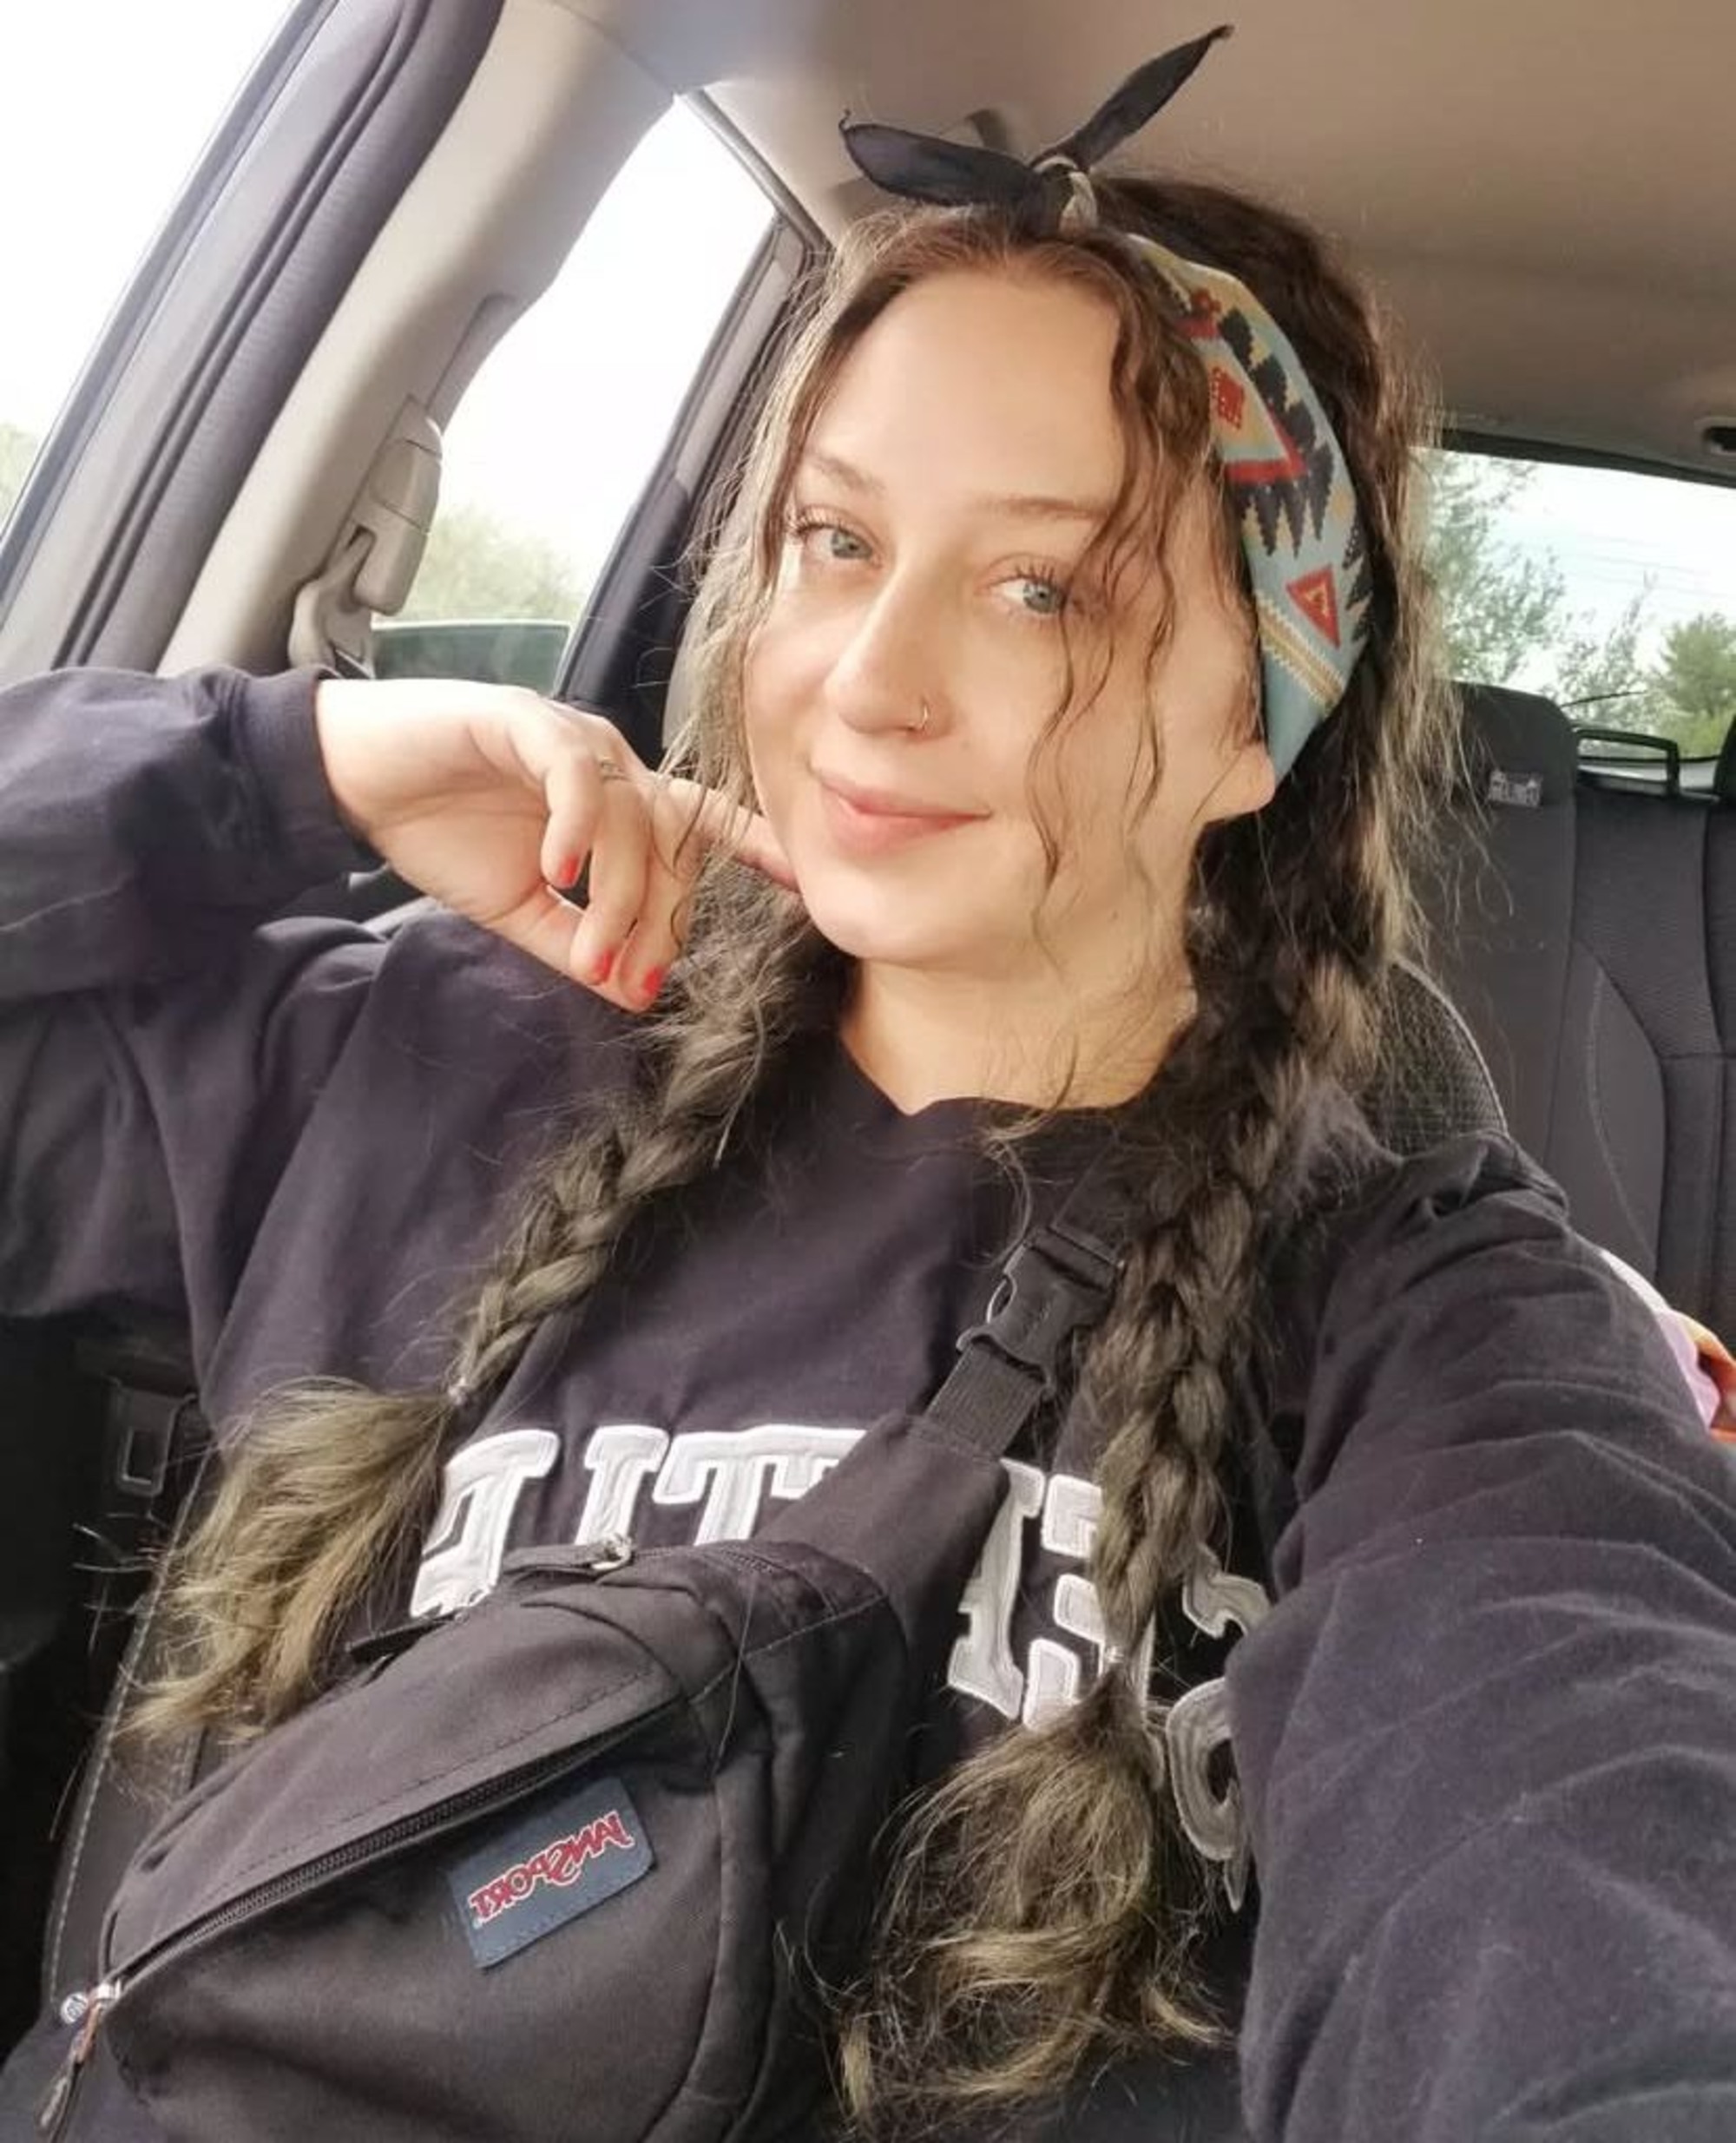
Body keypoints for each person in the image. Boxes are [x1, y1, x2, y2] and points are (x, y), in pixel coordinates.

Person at [2, 29, 1733, 2143]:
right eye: (834, 540)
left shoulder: (1428, 1310)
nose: (871, 680)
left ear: (1260, 718)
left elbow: (1575, 1829)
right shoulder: (425, 1049)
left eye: (1043, 586)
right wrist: (288, 767)